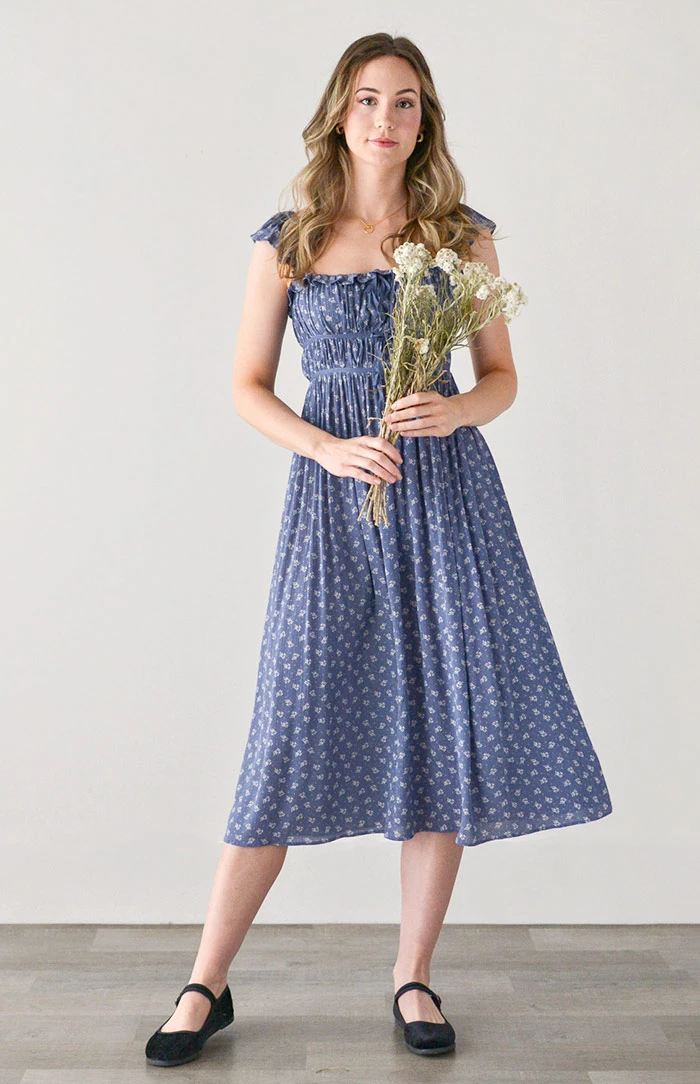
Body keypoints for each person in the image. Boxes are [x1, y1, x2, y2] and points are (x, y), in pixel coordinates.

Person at [145, 32, 613, 1067]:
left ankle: (413, 973)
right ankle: (205, 981)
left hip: (443, 498)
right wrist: (324, 447)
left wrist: (455, 411)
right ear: (338, 113)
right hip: (332, 505)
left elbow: (500, 376)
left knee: (441, 720)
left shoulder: (460, 236)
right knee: (285, 727)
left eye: (405, 102)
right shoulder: (291, 238)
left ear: (424, 120)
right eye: (368, 99)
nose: (386, 118)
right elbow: (246, 386)